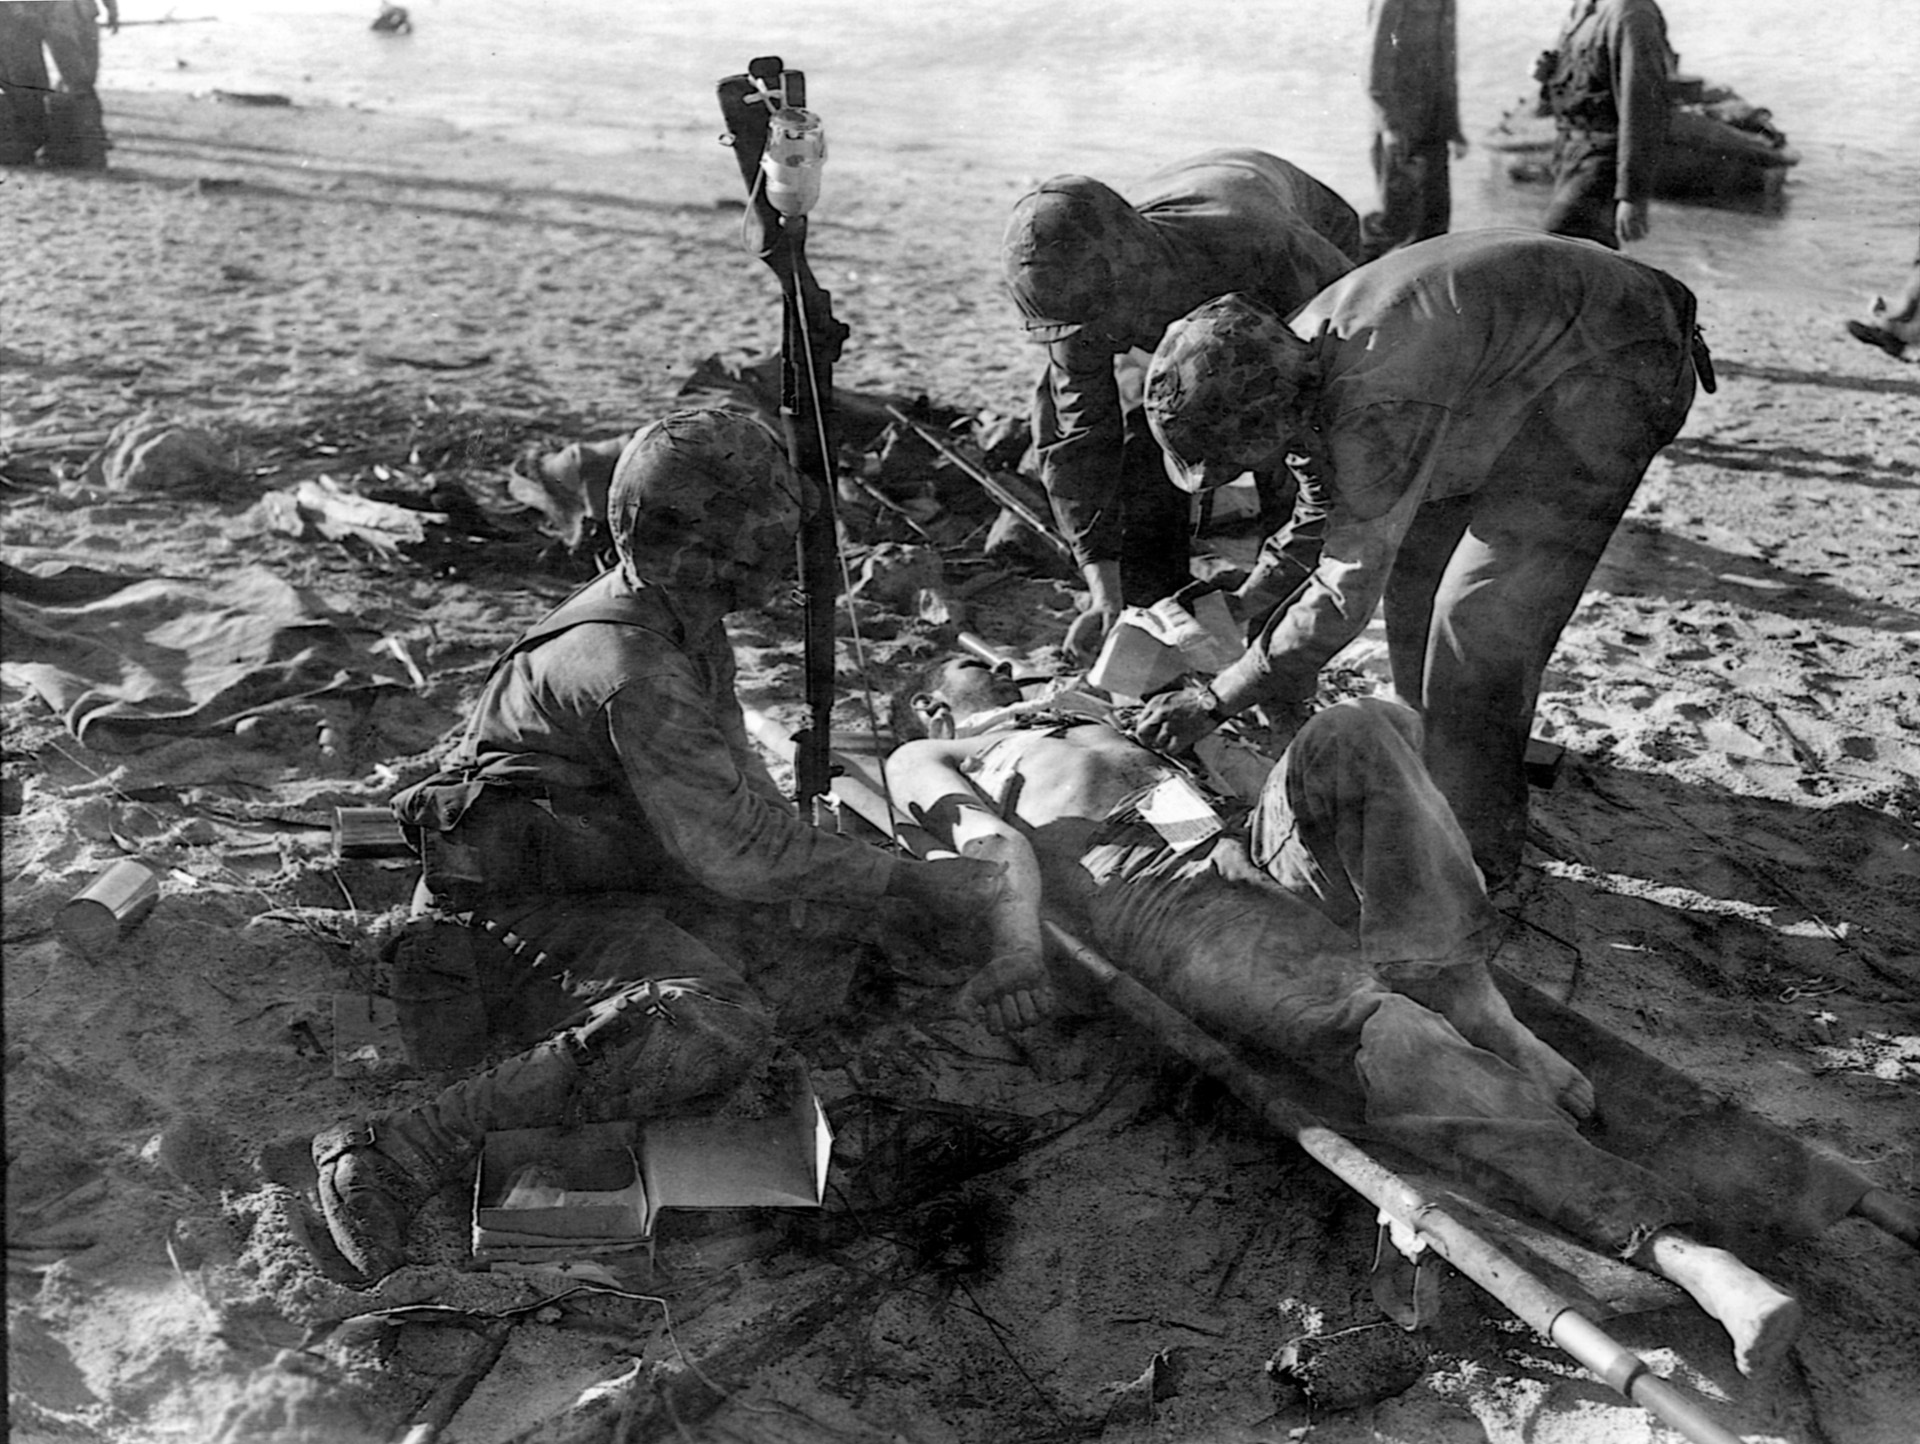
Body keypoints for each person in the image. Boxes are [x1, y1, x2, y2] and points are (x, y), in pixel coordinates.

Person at [883, 655, 1801, 1378]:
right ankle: (1682, 1253)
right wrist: (1016, 949)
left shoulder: (1083, 708)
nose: (1004, 673)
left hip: (1242, 837)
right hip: (1158, 897)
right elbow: (995, 843)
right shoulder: (933, 755)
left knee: (1368, 725)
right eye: (979, 673)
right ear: (932, 708)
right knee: (1390, 1032)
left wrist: (1193, 728)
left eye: (1005, 668)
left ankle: (1475, 996)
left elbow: (1253, 769)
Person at [311, 410, 1000, 1283]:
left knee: (838, 939)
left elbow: (741, 803)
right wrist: (908, 880)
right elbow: (736, 851)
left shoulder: (671, 618)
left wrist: (860, 887)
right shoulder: (635, 669)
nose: (779, 555)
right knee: (709, 1025)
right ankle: (397, 1147)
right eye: (761, 537)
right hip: (492, 939)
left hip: (597, 891)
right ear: (717, 547)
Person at [1131, 229, 1713, 889]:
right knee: (1417, 573)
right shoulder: (1286, 354)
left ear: (1259, 420)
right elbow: (1323, 511)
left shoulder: (1376, 394)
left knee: (1479, 618)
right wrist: (1248, 601)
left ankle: (1477, 853)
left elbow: (1346, 588)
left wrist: (1218, 696)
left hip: (1624, 363)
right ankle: (1445, 758)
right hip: (1538, 363)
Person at [1002, 149, 1360, 660]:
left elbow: (1342, 394)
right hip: (1172, 237)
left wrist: (1272, 583)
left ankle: (1279, 625)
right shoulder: (1073, 294)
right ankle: (1157, 610)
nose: (1098, 340)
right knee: (1149, 426)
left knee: (1284, 434)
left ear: (1130, 275)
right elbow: (1075, 439)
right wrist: (1103, 581)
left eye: (1103, 324)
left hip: (1297, 226)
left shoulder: (1266, 251)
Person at [1537, 0, 1674, 248]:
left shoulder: (1631, 12)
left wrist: (1632, 195)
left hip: (1603, 163)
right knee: (1578, 264)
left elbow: (1642, 106)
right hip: (1570, 156)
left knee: (1556, 246)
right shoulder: (1581, 10)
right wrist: (1546, 75)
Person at [1360, 0, 1467, 260]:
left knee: (1434, 228)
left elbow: (1445, 63)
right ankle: (1337, 287)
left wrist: (1453, 128)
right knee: (1393, 225)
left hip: (1434, 128)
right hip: (1402, 129)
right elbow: (1375, 65)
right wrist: (1390, 127)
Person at [0, 0, 117, 170]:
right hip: (26, 13)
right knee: (27, 82)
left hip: (67, 11)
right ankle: (77, 145)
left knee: (75, 80)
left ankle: (80, 145)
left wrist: (111, 8)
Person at [1845, 230, 1920, 361]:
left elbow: (1907, 311)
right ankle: (1888, 338)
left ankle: (1890, 339)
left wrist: (1883, 316)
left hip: (1911, 334)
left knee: (1883, 323)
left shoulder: (1917, 277)